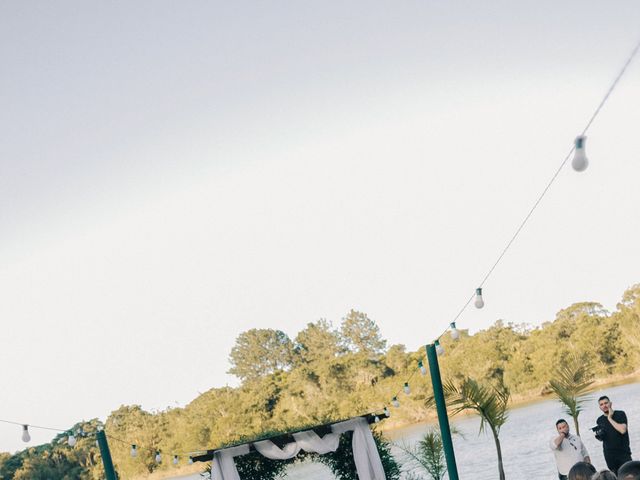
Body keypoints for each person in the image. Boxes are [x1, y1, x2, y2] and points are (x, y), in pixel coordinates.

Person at [596, 396, 632, 474]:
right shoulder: (599, 420)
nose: (604, 406)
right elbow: (605, 436)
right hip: (609, 456)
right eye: (601, 404)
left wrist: (610, 418)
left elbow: (622, 430)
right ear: (599, 407)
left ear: (610, 403)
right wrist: (599, 436)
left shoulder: (620, 414)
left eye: (606, 403)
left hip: (624, 453)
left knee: (629, 475)